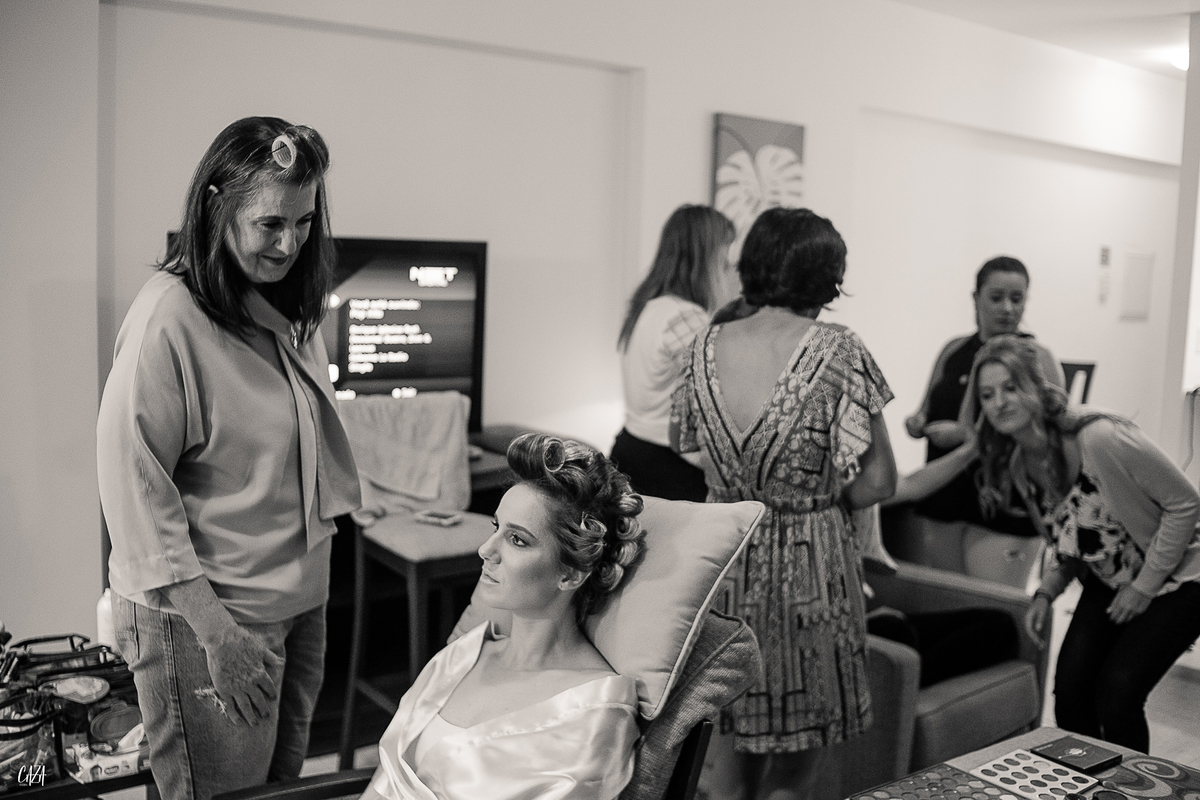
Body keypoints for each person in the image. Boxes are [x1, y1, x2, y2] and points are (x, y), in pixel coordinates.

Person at [97, 117, 361, 800]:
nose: (290, 243)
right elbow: (134, 489)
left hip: (300, 604)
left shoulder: (284, 307)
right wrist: (218, 634)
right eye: (271, 223)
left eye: (304, 223)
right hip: (215, 618)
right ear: (217, 206)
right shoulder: (169, 320)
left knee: (279, 791)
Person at [671, 207, 897, 800]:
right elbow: (879, 482)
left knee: (726, 752)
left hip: (724, 560)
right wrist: (814, 491)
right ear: (826, 278)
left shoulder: (703, 346)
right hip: (810, 568)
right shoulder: (838, 350)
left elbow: (682, 443)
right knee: (796, 769)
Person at [363, 434, 645, 800]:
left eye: (518, 540)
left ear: (571, 574)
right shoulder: (462, 657)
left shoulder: (596, 711)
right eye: (497, 528)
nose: (485, 550)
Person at [963, 334, 1200, 752]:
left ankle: (1133, 791)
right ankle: (1088, 785)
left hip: (1181, 577)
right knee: (1070, 694)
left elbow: (1185, 503)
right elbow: (1074, 546)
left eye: (1011, 387)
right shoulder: (1022, 466)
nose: (999, 402)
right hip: (1113, 582)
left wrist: (1143, 588)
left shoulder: (1100, 437)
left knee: (1118, 692)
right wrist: (1045, 593)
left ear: (1038, 388)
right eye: (987, 395)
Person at [903, 256, 1065, 584]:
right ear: (976, 298)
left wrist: (963, 437)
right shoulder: (954, 350)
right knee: (952, 607)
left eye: (1017, 299)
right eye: (996, 297)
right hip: (945, 491)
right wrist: (919, 423)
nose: (1007, 308)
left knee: (997, 612)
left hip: (1005, 501)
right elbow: (926, 409)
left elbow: (1052, 435)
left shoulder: (1037, 359)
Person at [611, 205, 737, 502]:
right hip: (667, 466)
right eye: (725, 260)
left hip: (631, 448)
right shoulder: (685, 317)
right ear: (706, 258)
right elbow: (717, 400)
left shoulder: (649, 305)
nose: (730, 270)